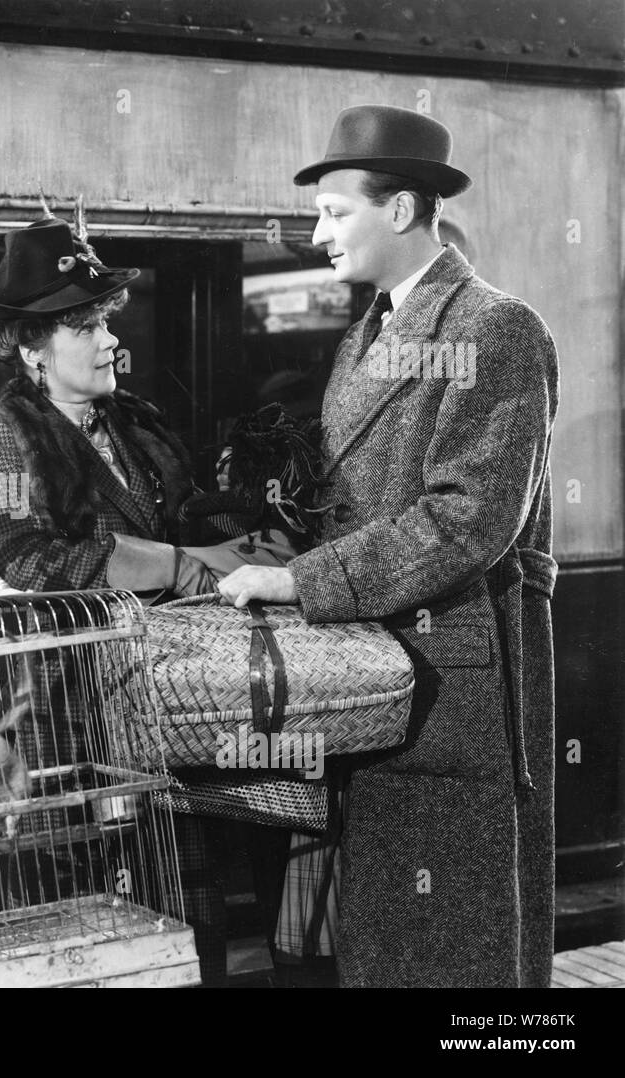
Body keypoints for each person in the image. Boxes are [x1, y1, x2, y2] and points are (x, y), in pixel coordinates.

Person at [219, 104, 559, 988]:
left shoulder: (494, 329)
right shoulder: (367, 333)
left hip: (450, 681)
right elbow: (359, 503)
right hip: (374, 673)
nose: (317, 232)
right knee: (387, 939)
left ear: (402, 209)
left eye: (336, 211)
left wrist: (303, 580)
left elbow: (469, 519)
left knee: (453, 944)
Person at [0, 214, 281, 985]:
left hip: (168, 712)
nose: (110, 339)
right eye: (85, 325)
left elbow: (193, 515)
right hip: (68, 723)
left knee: (187, 915)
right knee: (93, 928)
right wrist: (172, 564)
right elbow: (23, 557)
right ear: (33, 347)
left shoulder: (139, 426)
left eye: (106, 319)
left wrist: (258, 527)